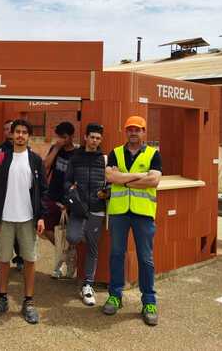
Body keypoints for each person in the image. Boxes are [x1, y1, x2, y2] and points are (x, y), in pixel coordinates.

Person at [0, 119, 48, 324]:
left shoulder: (36, 160)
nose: (20, 135)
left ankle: (28, 302)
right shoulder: (1, 157)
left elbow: (43, 191)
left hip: (28, 219)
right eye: (17, 132)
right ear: (12, 134)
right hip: (5, 218)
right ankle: (2, 299)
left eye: (24, 132)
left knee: (30, 260)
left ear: (29, 136)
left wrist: (41, 216)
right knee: (3, 260)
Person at [102, 115, 162, 326]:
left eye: (138, 129)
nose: (133, 133)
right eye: (130, 129)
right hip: (119, 212)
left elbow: (154, 180)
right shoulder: (115, 153)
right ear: (125, 132)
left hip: (143, 214)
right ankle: (115, 296)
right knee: (116, 254)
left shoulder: (154, 154)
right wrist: (138, 177)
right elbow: (110, 178)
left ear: (144, 132)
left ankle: (149, 302)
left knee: (146, 259)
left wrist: (124, 180)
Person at [63, 123, 108, 307]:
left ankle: (88, 285)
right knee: (72, 236)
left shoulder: (104, 159)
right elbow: (66, 181)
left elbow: (110, 182)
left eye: (98, 138)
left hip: (97, 208)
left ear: (100, 140)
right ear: (85, 137)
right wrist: (70, 191)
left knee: (92, 246)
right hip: (78, 208)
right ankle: (71, 254)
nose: (94, 141)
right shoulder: (75, 157)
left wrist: (106, 192)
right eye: (92, 137)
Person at [42, 122, 77, 278]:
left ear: (70, 137)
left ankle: (65, 262)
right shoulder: (56, 149)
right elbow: (45, 167)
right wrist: (56, 148)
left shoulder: (77, 154)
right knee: (47, 230)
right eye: (59, 136)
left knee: (69, 234)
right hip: (52, 196)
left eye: (64, 137)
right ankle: (65, 255)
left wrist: (67, 202)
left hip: (69, 201)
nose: (61, 140)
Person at [0, 119, 24, 271]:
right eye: (6, 129)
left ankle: (20, 258)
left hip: (20, 200)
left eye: (12, 129)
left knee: (19, 232)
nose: (9, 132)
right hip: (2, 200)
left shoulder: (25, 151)